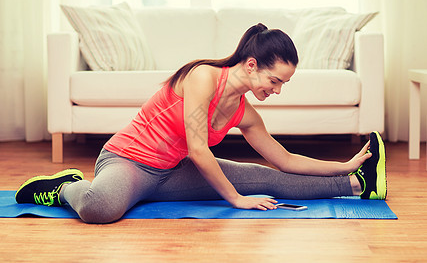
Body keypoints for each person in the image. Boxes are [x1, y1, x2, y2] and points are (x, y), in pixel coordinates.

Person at [15, 23, 387, 224]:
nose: (276, 91)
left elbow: (284, 160)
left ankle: (357, 184)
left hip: (175, 171)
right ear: (253, 64)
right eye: (275, 81)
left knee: (271, 181)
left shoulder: (246, 113)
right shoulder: (202, 78)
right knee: (100, 208)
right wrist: (236, 200)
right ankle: (66, 188)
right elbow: (198, 147)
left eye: (282, 86)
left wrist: (344, 165)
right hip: (128, 162)